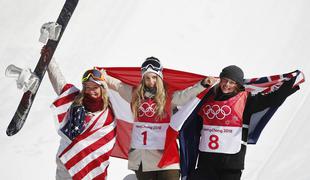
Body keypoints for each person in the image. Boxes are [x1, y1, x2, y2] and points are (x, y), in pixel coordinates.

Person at [103, 57, 213, 180]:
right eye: (147, 78)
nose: (151, 81)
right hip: (142, 156)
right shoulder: (135, 95)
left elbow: (186, 95)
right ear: (143, 79)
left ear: (160, 78)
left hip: (166, 155)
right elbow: (117, 85)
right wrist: (102, 76)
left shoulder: (168, 97)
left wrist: (203, 85)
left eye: (154, 77)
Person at [186, 65, 301, 180]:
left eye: (232, 82)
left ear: (238, 85)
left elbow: (273, 99)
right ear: (220, 79)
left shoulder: (246, 100)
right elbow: (187, 102)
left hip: (230, 165)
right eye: (225, 80)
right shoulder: (207, 98)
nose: (227, 85)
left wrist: (290, 82)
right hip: (206, 163)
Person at [18, 47, 117, 179]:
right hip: (65, 163)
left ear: (102, 88)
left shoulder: (108, 115)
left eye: (95, 87)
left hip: (89, 169)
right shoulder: (76, 99)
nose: (91, 91)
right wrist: (49, 59)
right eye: (87, 87)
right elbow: (59, 82)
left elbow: (102, 147)